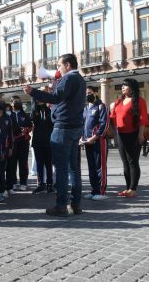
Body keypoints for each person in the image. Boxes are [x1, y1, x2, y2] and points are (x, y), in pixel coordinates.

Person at [24, 53, 86, 217]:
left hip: (63, 128)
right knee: (74, 168)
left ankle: (61, 206)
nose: (57, 68)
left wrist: (33, 92)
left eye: (59, 65)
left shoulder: (69, 78)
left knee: (61, 169)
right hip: (75, 127)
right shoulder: (80, 79)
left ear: (67, 65)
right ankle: (76, 204)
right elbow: (63, 98)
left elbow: (56, 98)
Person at [110, 78, 149, 198]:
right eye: (122, 85)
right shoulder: (118, 102)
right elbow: (112, 118)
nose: (122, 87)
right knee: (125, 163)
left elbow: (143, 118)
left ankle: (133, 188)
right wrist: (113, 135)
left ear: (132, 88)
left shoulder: (139, 101)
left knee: (133, 161)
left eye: (125, 85)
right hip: (120, 134)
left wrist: (140, 134)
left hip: (134, 133)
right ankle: (127, 188)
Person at [82, 86, 110, 201]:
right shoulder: (85, 108)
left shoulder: (101, 106)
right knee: (91, 167)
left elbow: (104, 124)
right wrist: (82, 138)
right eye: (86, 93)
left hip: (99, 141)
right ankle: (94, 190)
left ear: (96, 93)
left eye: (90, 92)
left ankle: (101, 191)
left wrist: (95, 137)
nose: (88, 95)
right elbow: (82, 124)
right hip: (87, 141)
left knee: (100, 167)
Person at [7, 96, 32, 192]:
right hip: (12, 142)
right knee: (11, 163)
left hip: (23, 142)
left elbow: (30, 126)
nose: (17, 103)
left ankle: (23, 183)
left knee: (23, 162)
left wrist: (26, 129)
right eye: (15, 101)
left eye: (19, 101)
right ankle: (12, 182)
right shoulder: (9, 115)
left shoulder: (25, 114)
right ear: (11, 103)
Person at [30, 96, 54, 194]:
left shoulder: (50, 111)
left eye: (42, 99)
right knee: (39, 164)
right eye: (38, 100)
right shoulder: (34, 111)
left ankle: (49, 185)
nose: (40, 101)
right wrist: (34, 106)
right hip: (37, 142)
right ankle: (40, 184)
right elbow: (32, 118)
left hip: (49, 142)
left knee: (48, 164)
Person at [0, 102, 13, 198]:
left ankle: (3, 189)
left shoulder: (7, 118)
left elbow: (10, 134)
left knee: (2, 169)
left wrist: (10, 147)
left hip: (4, 148)